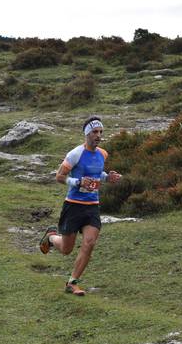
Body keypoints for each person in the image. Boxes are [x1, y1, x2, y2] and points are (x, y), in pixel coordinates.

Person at [39, 115, 122, 296]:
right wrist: (78, 182)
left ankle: (72, 282)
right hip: (73, 205)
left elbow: (97, 174)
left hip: (92, 205)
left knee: (90, 242)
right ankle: (52, 237)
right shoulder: (75, 154)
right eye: (94, 132)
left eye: (100, 132)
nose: (98, 135)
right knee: (67, 249)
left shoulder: (102, 154)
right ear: (87, 134)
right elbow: (59, 177)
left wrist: (108, 177)